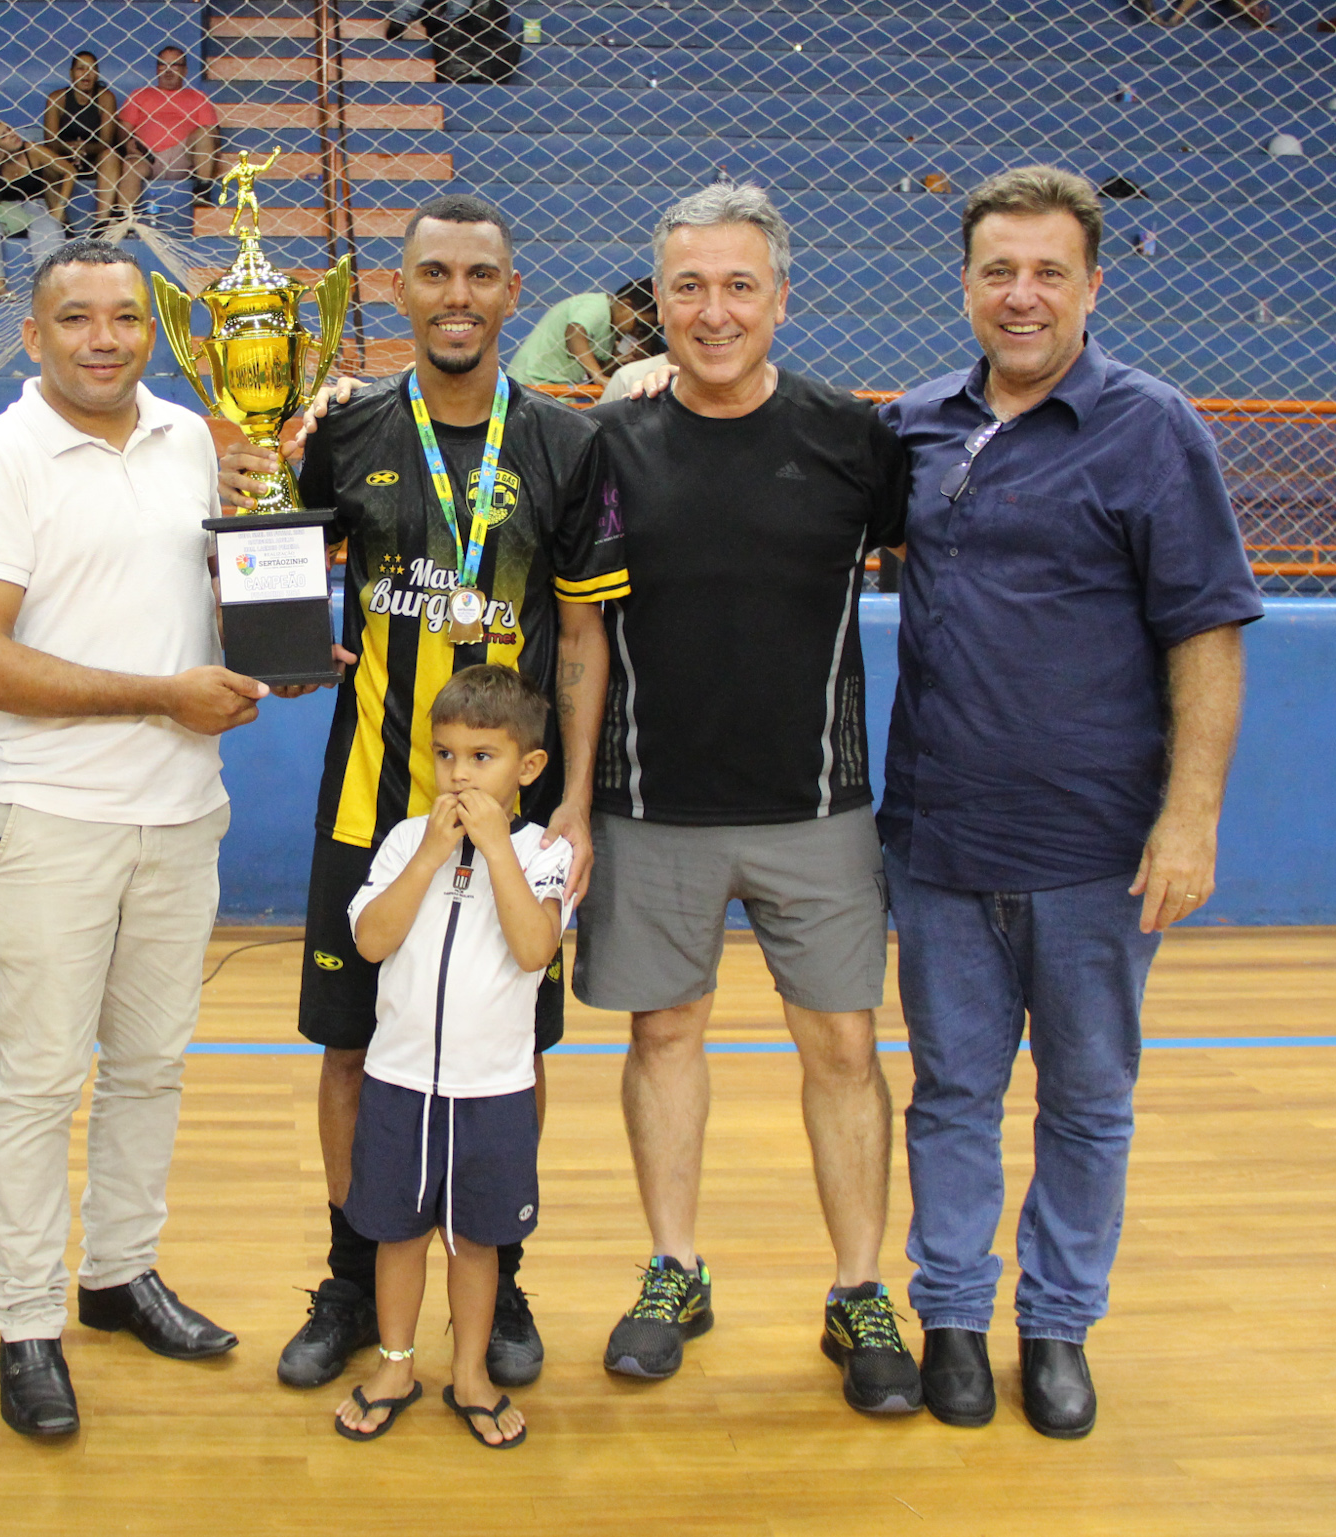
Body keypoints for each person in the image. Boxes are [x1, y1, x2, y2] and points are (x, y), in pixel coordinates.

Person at [878, 166, 1262, 1438]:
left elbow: (1206, 632)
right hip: (937, 840)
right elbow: (775, 452)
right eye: (998, 270)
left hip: (1097, 851)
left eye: (1048, 271)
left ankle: (1055, 1327)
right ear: (964, 285)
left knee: (1087, 1103)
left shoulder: (1152, 427)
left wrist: (1188, 817)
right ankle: (949, 1318)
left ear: (1092, 285)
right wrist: (656, 380)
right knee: (949, 1094)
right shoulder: (914, 426)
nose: (1021, 294)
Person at [222, 192, 623, 1395]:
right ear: (397, 290)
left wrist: (574, 804)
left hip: (510, 825)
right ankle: (354, 1278)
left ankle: (501, 1276)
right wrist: (277, 633)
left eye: (478, 275)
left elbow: (582, 635)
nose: (456, 295)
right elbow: (275, 568)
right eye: (433, 272)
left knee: (514, 1055)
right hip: (371, 810)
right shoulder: (343, 433)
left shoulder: (565, 444)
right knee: (352, 1050)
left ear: (511, 293)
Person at [582, 182, 919, 1416]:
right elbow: (581, 634)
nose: (712, 311)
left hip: (816, 804)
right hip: (648, 801)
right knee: (662, 1035)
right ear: (655, 303)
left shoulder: (851, 440)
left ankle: (858, 1289)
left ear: (780, 297)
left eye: (737, 286)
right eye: (688, 287)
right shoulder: (609, 443)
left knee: (842, 1046)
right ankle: (674, 1268)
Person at [0, 238, 260, 1437]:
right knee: (38, 1081)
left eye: (124, 316)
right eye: (74, 317)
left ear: (150, 331)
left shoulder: (192, 441)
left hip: (183, 813)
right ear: (33, 335)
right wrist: (162, 694)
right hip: (56, 819)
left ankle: (118, 1273)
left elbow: (213, 602)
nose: (103, 338)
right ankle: (26, 1322)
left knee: (150, 1067)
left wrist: (274, 645)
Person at [332, 665, 567, 1450]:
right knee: (397, 1234)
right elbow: (372, 940)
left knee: (476, 1241)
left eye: (482, 757)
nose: (460, 774)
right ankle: (396, 1365)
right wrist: (429, 856)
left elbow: (534, 948)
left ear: (528, 766)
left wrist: (496, 850)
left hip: (493, 1090)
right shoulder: (407, 840)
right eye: (446, 754)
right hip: (398, 1082)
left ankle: (469, 1373)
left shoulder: (543, 852)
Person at [116, 46, 219, 223]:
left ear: (185, 71)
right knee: (131, 166)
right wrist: (127, 144)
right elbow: (122, 131)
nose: (169, 71)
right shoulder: (139, 95)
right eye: (163, 65)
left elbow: (212, 136)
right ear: (157, 69)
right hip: (146, 156)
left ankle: (202, 191)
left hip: (183, 157)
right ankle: (125, 221)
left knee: (206, 132)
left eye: (175, 65)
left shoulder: (198, 97)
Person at [0, 120, 64, 302]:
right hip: (5, 214)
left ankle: (49, 290)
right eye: (4, 136)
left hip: (35, 208)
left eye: (10, 129)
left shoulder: (31, 150)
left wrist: (60, 204)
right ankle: (2, 291)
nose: (12, 135)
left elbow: (68, 171)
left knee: (47, 227)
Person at [506, 280, 659, 389]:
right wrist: (599, 377)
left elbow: (593, 374)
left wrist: (616, 362)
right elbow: (574, 334)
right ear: (626, 305)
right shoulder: (597, 306)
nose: (637, 333)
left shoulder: (611, 331)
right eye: (640, 325)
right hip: (533, 379)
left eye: (646, 331)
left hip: (559, 387)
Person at [43, 50, 121, 235]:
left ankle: (101, 224)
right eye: (81, 69)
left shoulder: (106, 98)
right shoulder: (57, 99)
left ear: (97, 74)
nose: (86, 74)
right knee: (45, 162)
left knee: (111, 156)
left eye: (91, 69)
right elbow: (50, 141)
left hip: (94, 158)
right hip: (64, 160)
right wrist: (71, 149)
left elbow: (107, 141)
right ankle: (62, 224)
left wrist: (84, 149)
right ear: (71, 73)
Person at [387, 0, 522, 84]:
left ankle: (401, 18)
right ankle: (400, 19)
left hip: (466, 16)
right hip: (440, 13)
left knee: (459, 16)